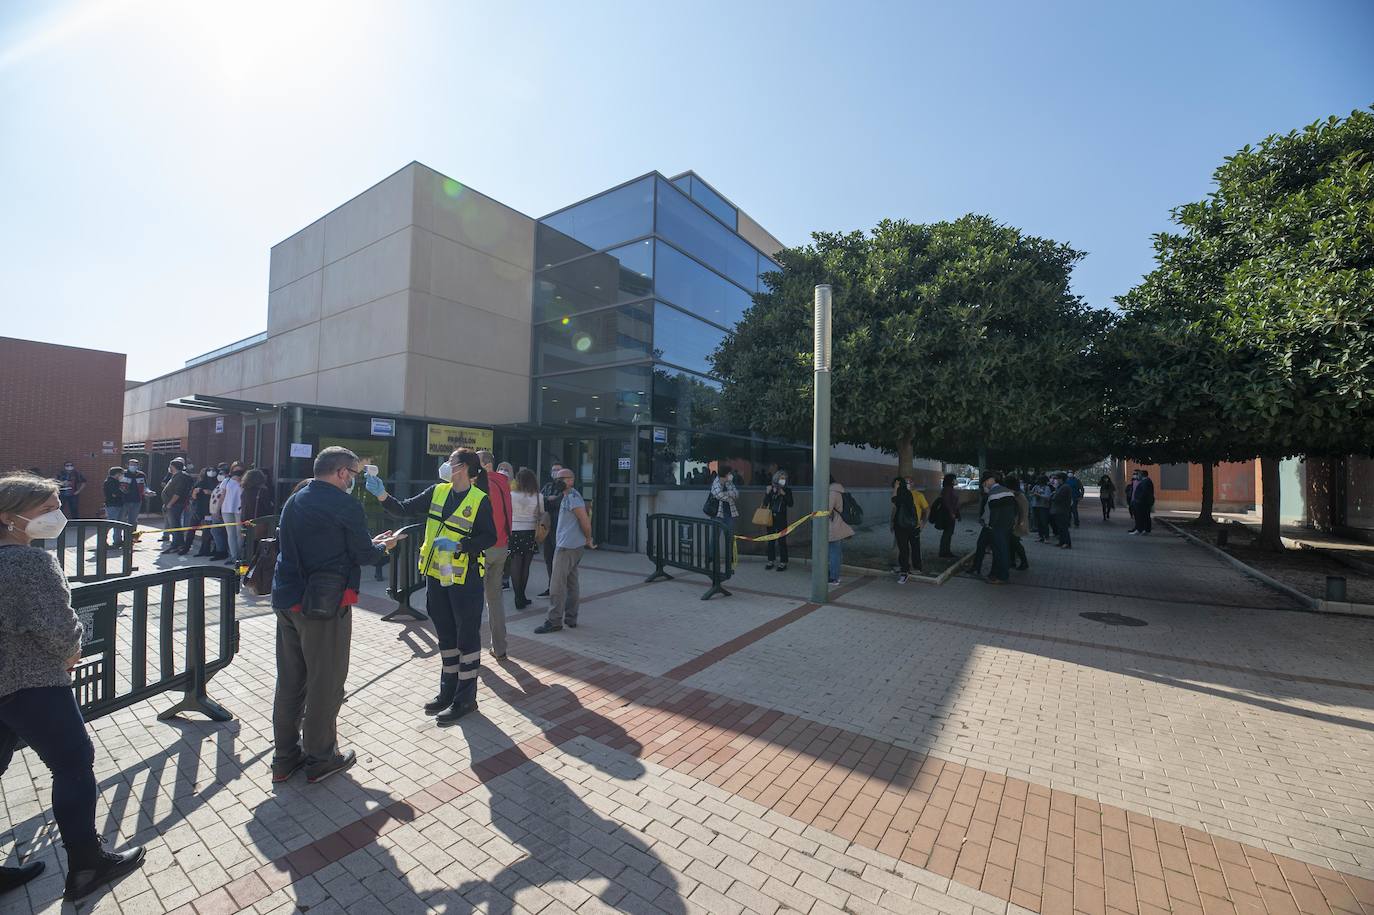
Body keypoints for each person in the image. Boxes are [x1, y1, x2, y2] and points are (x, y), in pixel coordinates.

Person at [0, 473, 146, 901]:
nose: (58, 516)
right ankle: (86, 865)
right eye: (46, 510)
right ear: (10, 518)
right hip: (32, 681)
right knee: (73, 763)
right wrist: (69, 652)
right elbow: (60, 627)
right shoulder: (30, 563)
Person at [272, 448, 402, 781]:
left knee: (290, 682)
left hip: (287, 600)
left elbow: (322, 544)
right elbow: (363, 555)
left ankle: (285, 757)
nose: (355, 481)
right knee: (325, 683)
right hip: (324, 606)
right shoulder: (345, 505)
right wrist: (383, 547)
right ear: (342, 473)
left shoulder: (296, 499)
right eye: (355, 474)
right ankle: (320, 757)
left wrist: (367, 544)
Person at [368, 449, 495, 723]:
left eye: (451, 461)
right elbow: (403, 508)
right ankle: (447, 692)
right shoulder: (437, 491)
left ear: (462, 468)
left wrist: (460, 545)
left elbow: (490, 537)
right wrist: (381, 495)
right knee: (446, 636)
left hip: (465, 578)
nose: (446, 465)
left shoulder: (479, 499)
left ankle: (466, 699)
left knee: (466, 638)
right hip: (437, 576)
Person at [534, 468, 596, 633]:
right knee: (571, 582)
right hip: (571, 545)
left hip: (567, 547)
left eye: (562, 478)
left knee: (557, 585)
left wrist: (588, 539)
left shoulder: (573, 497)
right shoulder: (567, 496)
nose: (558, 481)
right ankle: (571, 618)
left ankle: (554, 620)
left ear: (571, 480)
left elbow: (585, 520)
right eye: (557, 477)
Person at [475, 450, 513, 661]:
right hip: (501, 546)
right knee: (495, 600)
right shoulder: (503, 482)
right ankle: (499, 647)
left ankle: (471, 650)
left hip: (483, 548)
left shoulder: (481, 484)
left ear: (484, 465)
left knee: (473, 600)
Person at [507, 468, 541, 609]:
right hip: (530, 532)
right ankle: (522, 595)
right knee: (526, 566)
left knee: (515, 563)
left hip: (514, 531)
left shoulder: (511, 495)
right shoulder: (538, 496)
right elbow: (541, 513)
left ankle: (517, 597)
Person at [889, 477, 927, 583]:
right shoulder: (908, 494)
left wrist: (896, 488)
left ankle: (905, 572)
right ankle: (909, 569)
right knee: (909, 548)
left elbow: (893, 501)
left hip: (903, 526)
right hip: (911, 525)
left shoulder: (902, 494)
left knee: (904, 549)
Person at [981, 473, 1017, 583]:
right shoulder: (1008, 491)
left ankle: (1002, 576)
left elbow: (994, 514)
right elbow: (1014, 509)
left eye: (985, 482)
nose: (985, 485)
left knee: (1000, 552)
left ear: (991, 480)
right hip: (1008, 526)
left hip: (998, 527)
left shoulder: (994, 494)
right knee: (1003, 550)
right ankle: (996, 574)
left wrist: (991, 526)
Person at [538, 462, 565, 597]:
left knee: (559, 559)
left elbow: (560, 502)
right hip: (547, 527)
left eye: (558, 470)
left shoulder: (565, 488)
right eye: (554, 470)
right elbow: (540, 499)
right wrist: (548, 499)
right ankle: (551, 585)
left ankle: (559, 587)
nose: (555, 472)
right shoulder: (548, 486)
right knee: (548, 557)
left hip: (560, 528)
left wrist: (549, 501)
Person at [159, 458, 194, 554]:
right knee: (174, 525)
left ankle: (176, 545)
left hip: (175, 505)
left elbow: (178, 493)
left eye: (170, 466)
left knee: (175, 525)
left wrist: (170, 504)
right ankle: (179, 544)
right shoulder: (175, 476)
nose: (169, 468)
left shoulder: (181, 477)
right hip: (172, 505)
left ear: (173, 467)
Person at [764, 470, 794, 571]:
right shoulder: (771, 489)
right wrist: (767, 493)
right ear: (776, 479)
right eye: (781, 478)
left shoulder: (787, 490)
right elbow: (765, 503)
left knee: (782, 541)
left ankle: (783, 562)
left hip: (781, 519)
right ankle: (770, 561)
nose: (783, 481)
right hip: (770, 518)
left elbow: (790, 504)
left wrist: (784, 494)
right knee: (771, 540)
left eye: (785, 479)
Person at [827, 477, 854, 585]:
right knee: (836, 552)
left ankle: (834, 577)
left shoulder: (832, 492)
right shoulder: (838, 491)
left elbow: (827, 510)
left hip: (833, 526)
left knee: (834, 553)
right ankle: (835, 574)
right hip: (837, 524)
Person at [184, 467, 216, 556]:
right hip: (198, 509)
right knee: (191, 529)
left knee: (206, 532)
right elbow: (193, 497)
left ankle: (204, 550)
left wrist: (210, 492)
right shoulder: (200, 483)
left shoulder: (216, 483)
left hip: (209, 510)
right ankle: (186, 547)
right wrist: (195, 493)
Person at [1005, 475, 1031, 571]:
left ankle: (1024, 562)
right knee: (1013, 543)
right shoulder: (1019, 494)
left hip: (1016, 522)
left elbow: (1016, 511)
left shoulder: (1015, 495)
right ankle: (1012, 561)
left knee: (1015, 543)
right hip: (1019, 521)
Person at [936, 473, 961, 558]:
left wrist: (957, 513)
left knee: (949, 533)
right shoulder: (947, 489)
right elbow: (947, 502)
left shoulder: (950, 489)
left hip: (950, 513)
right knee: (947, 533)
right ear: (951, 480)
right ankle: (944, 552)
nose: (956, 481)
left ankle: (946, 551)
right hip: (947, 514)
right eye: (954, 479)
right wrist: (952, 513)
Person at [710, 467, 740, 536]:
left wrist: (726, 493)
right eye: (729, 473)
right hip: (718, 514)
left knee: (730, 537)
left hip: (729, 513)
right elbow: (719, 495)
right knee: (715, 537)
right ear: (725, 475)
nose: (731, 475)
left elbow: (736, 494)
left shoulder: (729, 483)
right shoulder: (716, 482)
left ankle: (729, 547)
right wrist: (730, 496)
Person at [101, 467, 125, 546]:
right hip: (112, 505)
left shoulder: (116, 482)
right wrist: (121, 492)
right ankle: (103, 541)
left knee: (119, 523)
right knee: (111, 522)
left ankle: (118, 540)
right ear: (117, 474)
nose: (122, 475)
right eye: (121, 474)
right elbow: (115, 494)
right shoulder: (110, 482)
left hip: (119, 504)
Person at [1050, 473, 1074, 548]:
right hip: (1059, 510)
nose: (1055, 480)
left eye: (1057, 479)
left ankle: (1067, 543)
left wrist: (1053, 495)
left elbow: (1056, 498)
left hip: (1062, 510)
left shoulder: (1065, 487)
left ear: (1061, 479)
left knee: (1063, 528)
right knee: (1060, 528)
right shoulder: (1060, 487)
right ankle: (1062, 541)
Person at [1029, 475, 1054, 542]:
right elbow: (1031, 494)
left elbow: (1048, 497)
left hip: (1043, 507)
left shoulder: (1047, 488)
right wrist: (1032, 494)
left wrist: (1039, 495)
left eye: (1039, 480)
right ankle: (1041, 536)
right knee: (1038, 522)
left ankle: (1046, 537)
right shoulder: (1036, 487)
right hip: (1035, 506)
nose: (1038, 482)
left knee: (1044, 522)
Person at [1131, 470, 1155, 535]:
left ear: (1142, 475)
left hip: (1143, 503)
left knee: (1142, 516)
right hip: (1143, 502)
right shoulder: (1145, 481)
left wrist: (1139, 499)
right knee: (1144, 516)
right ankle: (1144, 529)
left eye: (1139, 474)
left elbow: (1144, 492)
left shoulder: (1146, 482)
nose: (1138, 475)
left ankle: (1141, 529)